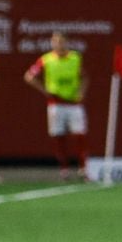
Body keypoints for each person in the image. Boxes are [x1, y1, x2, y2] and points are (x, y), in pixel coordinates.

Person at [24, 30, 89, 180]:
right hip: (56, 104)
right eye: (55, 41)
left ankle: (83, 169)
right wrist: (44, 90)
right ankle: (64, 170)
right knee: (58, 136)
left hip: (74, 103)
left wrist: (82, 92)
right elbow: (29, 76)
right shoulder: (46, 59)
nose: (58, 44)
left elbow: (84, 77)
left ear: (66, 42)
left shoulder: (74, 58)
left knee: (80, 135)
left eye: (61, 41)